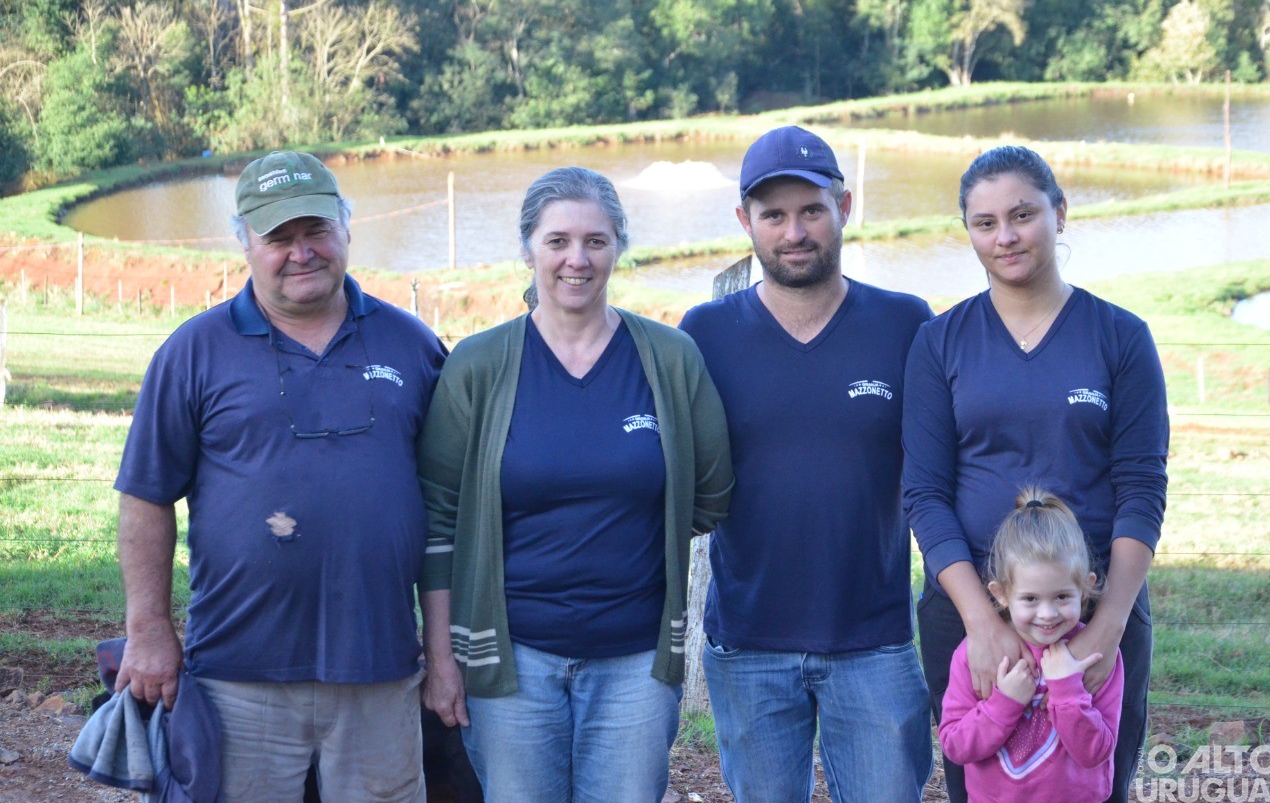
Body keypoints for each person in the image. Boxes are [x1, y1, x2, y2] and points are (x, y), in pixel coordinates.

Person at [114, 150, 448, 803]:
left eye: (317, 231)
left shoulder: (413, 344)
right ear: (245, 243)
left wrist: (445, 650)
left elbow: (447, 508)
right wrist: (149, 628)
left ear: (347, 229)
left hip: (380, 670)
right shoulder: (193, 351)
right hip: (240, 673)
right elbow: (145, 497)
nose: (302, 252)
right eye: (279, 238)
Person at [417, 166, 734, 803]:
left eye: (596, 240)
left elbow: (709, 493)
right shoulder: (479, 365)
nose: (577, 260)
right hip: (512, 664)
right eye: (558, 240)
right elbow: (439, 520)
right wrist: (442, 656)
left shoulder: (670, 359)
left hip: (636, 663)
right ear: (528, 247)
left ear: (619, 245)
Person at [904, 145, 1169, 803]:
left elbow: (1141, 487)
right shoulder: (940, 342)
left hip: (1092, 605)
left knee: (1096, 781)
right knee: (987, 785)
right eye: (985, 222)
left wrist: (1107, 623)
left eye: (1022, 214)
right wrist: (982, 622)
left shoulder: (1120, 336)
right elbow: (926, 494)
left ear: (1059, 212)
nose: (1006, 236)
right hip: (971, 609)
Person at [678, 126, 934, 802]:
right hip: (748, 644)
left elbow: (944, 472)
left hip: (874, 641)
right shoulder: (704, 334)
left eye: (811, 209)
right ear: (746, 222)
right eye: (774, 214)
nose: (794, 231)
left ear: (844, 207)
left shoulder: (906, 324)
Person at [939, 487, 1124, 803]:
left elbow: (1096, 753)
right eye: (1030, 599)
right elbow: (955, 746)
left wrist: (1067, 689)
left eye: (1063, 596)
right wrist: (1004, 703)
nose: (1048, 614)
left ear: (1086, 587)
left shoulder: (1097, 654)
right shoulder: (977, 654)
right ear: (1000, 594)